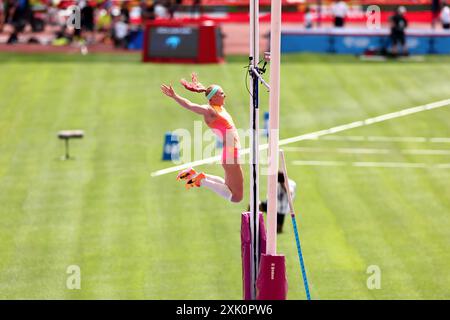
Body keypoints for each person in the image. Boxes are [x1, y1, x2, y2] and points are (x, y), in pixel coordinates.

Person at [160, 73, 244, 203]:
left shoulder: (219, 107)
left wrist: (203, 88)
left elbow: (209, 93)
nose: (225, 95)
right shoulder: (210, 111)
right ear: (214, 98)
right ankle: (202, 180)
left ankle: (197, 176)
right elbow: (190, 105)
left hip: (230, 153)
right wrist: (175, 96)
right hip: (230, 153)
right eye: (222, 93)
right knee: (236, 197)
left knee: (229, 189)